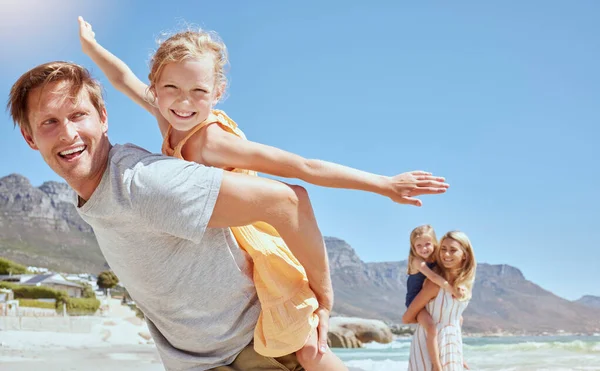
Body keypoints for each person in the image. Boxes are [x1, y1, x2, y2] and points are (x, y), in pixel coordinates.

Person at [8, 61, 450, 371]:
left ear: (102, 118)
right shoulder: (100, 191)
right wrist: (92, 47)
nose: (67, 133)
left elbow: (289, 198)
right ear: (30, 138)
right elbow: (124, 79)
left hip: (259, 354)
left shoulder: (145, 182)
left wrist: (325, 297)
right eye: (49, 122)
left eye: (78, 114)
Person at [402, 231, 476, 371]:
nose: (446, 255)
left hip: (452, 345)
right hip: (429, 348)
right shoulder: (434, 284)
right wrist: (432, 323)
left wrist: (460, 356)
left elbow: (456, 318)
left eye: (453, 250)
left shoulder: (465, 286)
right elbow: (407, 318)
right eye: (443, 249)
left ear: (465, 255)